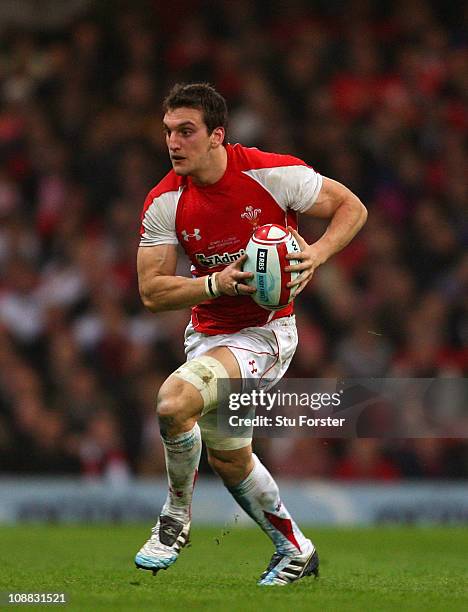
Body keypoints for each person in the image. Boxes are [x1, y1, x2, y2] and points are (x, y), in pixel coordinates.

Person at [134, 82, 367, 586]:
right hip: (207, 336)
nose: (174, 142)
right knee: (228, 456)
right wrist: (215, 282)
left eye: (187, 131)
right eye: (169, 131)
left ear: (217, 135)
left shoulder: (271, 173)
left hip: (266, 334)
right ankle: (296, 549)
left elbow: (352, 207)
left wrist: (317, 255)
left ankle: (175, 516)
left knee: (174, 404)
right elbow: (151, 292)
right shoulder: (165, 201)